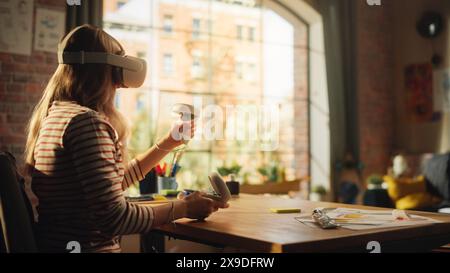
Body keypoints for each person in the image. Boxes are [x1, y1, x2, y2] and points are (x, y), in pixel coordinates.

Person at [24, 24, 228, 253]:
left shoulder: (57, 115)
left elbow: (114, 183)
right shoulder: (86, 123)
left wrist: (169, 142)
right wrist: (184, 208)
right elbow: (115, 218)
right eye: (118, 59)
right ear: (105, 69)